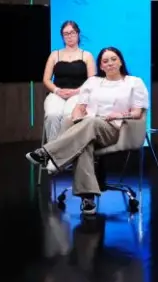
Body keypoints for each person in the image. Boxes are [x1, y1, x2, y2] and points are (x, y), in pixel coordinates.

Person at [26, 47, 148, 215]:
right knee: (84, 143)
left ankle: (48, 153)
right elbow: (80, 107)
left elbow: (138, 112)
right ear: (101, 66)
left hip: (114, 130)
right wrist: (77, 118)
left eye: (113, 59)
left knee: (90, 124)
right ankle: (87, 199)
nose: (110, 63)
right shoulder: (92, 82)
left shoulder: (134, 82)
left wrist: (120, 114)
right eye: (105, 61)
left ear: (120, 61)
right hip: (88, 126)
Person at [40, 20, 96, 139]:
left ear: (78, 34)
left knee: (68, 116)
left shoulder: (87, 55)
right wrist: (57, 91)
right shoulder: (55, 55)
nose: (69, 36)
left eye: (72, 33)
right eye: (66, 34)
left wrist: (76, 91)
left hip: (78, 94)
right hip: (57, 93)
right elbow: (46, 79)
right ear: (62, 36)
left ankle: (65, 152)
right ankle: (52, 151)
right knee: (52, 115)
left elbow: (92, 81)